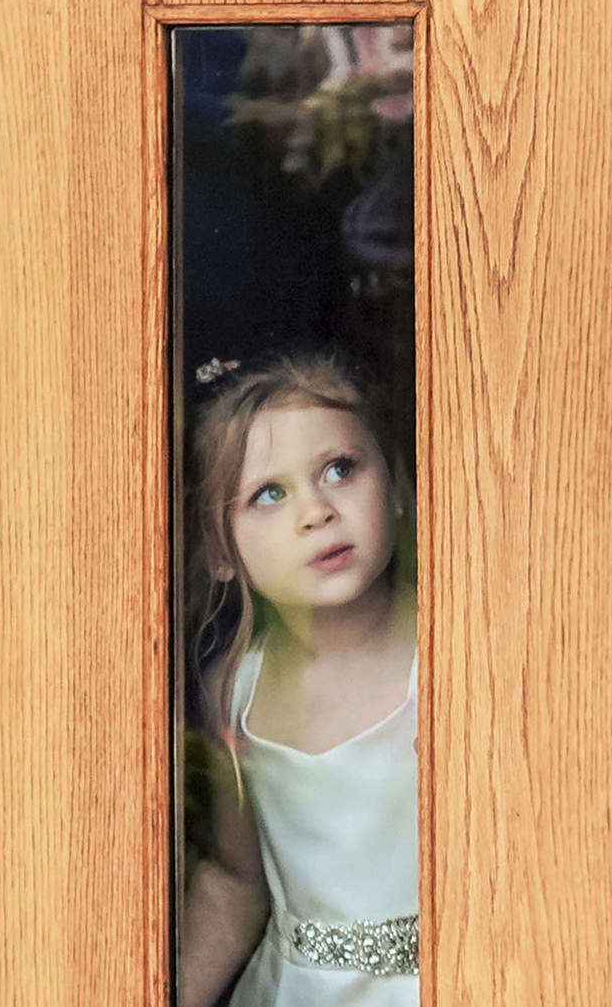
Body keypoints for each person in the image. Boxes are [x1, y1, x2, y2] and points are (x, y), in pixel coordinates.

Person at [173, 351, 420, 1007]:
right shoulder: (235, 688)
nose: (315, 512)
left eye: (340, 469)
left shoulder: (452, 655)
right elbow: (235, 880)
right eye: (269, 494)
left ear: (395, 487)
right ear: (221, 550)